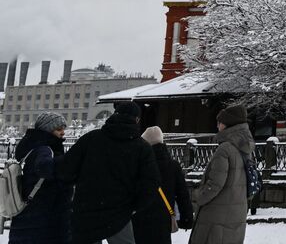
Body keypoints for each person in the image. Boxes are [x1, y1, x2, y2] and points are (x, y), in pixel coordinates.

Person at [57, 101, 159, 244]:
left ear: (114, 115)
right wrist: (135, 207)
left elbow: (66, 169)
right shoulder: (142, 148)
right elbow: (150, 183)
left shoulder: (91, 139)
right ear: (137, 120)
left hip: (86, 210)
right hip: (120, 213)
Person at [189, 103, 255, 244]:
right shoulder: (245, 147)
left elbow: (215, 184)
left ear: (227, 124)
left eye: (219, 123)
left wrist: (198, 196)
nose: (217, 126)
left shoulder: (225, 149)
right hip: (236, 214)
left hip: (216, 218)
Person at [6, 111, 72, 244]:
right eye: (58, 129)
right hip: (44, 216)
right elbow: (44, 167)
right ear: (47, 129)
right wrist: (71, 161)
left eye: (63, 129)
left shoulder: (32, 146)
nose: (63, 132)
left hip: (28, 212)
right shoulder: (45, 149)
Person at [132, 127, 192, 244]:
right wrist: (187, 218)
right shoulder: (173, 166)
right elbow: (182, 194)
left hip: (139, 218)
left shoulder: (137, 164)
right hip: (162, 220)